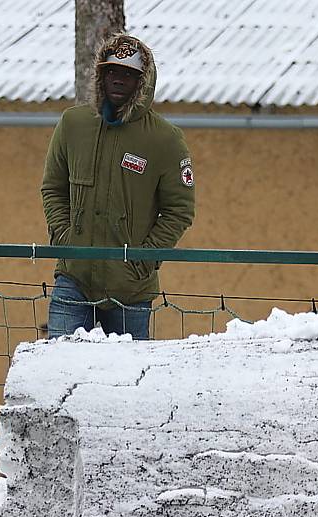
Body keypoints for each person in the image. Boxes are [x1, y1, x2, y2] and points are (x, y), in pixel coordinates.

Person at [41, 33, 195, 340]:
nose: (118, 79)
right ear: (100, 74)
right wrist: (65, 237)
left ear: (143, 82)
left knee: (128, 381)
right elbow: (53, 188)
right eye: (111, 71)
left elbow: (180, 211)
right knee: (57, 366)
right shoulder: (73, 124)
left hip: (131, 289)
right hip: (74, 277)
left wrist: (143, 259)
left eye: (129, 74)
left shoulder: (165, 139)